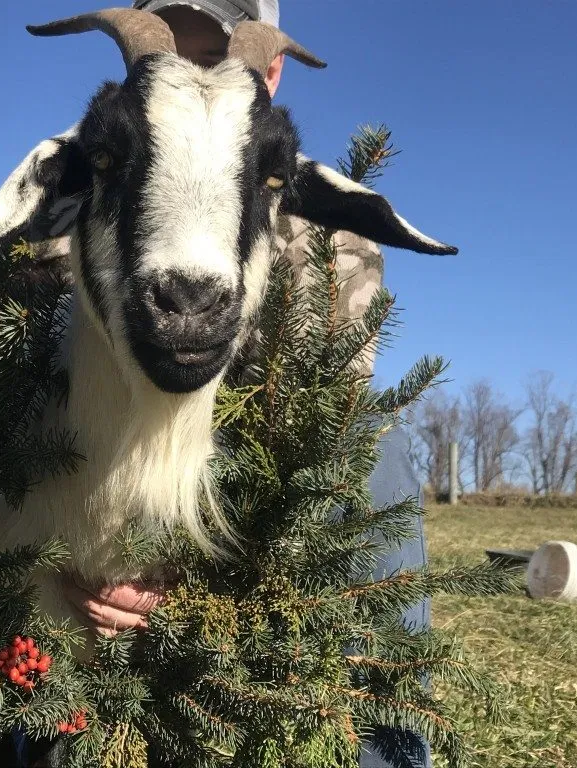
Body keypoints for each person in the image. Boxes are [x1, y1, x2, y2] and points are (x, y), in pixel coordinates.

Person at [49, 2, 433, 767]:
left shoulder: (330, 233)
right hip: (88, 506)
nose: (196, 67)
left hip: (246, 516)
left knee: (372, 449)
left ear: (270, 68)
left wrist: (178, 568)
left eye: (214, 49)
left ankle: (379, 740)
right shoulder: (85, 184)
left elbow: (317, 419)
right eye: (179, 48)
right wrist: (62, 565)